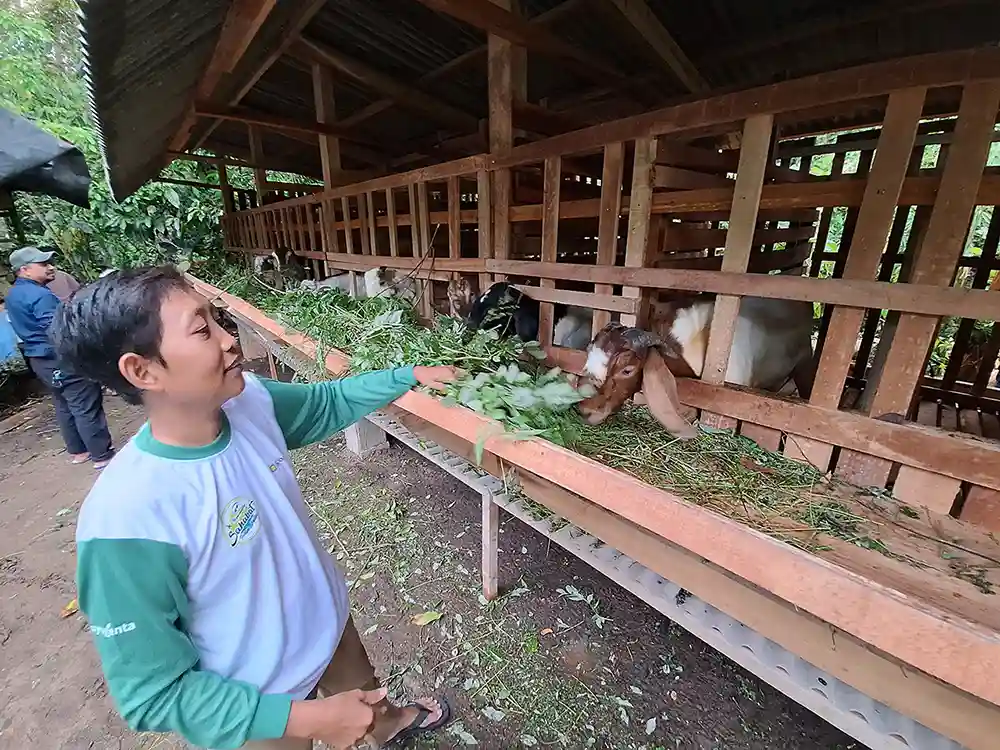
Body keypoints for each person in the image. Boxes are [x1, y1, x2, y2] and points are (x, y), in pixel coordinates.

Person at [51, 265, 458, 750]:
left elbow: (325, 403)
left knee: (367, 697)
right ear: (142, 370)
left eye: (218, 320)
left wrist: (406, 376)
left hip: (324, 623)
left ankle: (387, 725)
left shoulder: (251, 403)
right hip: (257, 700)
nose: (228, 340)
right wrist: (308, 720)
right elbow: (153, 694)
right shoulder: (127, 516)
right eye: (203, 330)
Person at [5, 246, 114, 468]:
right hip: (58, 356)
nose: (50, 267)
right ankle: (101, 454)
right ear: (24, 270)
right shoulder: (39, 295)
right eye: (43, 265)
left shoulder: (13, 294)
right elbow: (56, 329)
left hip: (40, 360)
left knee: (64, 403)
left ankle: (78, 452)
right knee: (85, 401)